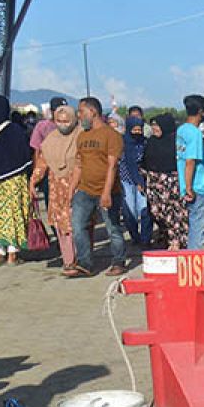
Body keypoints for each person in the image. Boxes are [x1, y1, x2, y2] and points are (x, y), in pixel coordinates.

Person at [67, 97, 129, 276]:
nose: (79, 115)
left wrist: (106, 192)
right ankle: (85, 263)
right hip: (85, 190)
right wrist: (72, 188)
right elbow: (79, 164)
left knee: (113, 228)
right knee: (78, 226)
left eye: (81, 111)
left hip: (108, 191)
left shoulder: (112, 136)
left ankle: (119, 261)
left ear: (93, 112)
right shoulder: (82, 136)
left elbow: (112, 166)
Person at [30, 105, 80, 269]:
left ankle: (82, 257)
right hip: (56, 190)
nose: (63, 124)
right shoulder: (50, 140)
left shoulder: (81, 137)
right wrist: (33, 182)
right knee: (61, 226)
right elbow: (42, 163)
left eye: (66, 121)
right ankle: (69, 261)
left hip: (78, 187)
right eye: (59, 121)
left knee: (78, 224)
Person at [0, 94, 34, 266]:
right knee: (14, 213)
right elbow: (26, 155)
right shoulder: (15, 130)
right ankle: (13, 252)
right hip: (15, 181)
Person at [142, 113, 187, 250]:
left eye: (157, 125)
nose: (154, 128)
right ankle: (169, 237)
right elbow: (145, 162)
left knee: (175, 213)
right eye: (153, 125)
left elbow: (183, 161)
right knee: (158, 213)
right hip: (155, 184)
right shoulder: (151, 142)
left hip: (172, 183)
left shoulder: (177, 142)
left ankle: (176, 241)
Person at [176, 96, 204, 250]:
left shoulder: (181, 130)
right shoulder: (195, 134)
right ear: (201, 111)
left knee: (193, 226)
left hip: (186, 184)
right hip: (198, 186)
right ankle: (194, 259)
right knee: (199, 228)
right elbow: (190, 161)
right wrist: (190, 187)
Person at [118, 116, 152, 246]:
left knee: (144, 210)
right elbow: (130, 163)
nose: (137, 132)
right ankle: (135, 236)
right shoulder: (122, 142)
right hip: (126, 180)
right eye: (135, 129)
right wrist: (137, 181)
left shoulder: (145, 142)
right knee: (129, 212)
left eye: (140, 129)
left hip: (142, 179)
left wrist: (141, 180)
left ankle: (145, 239)